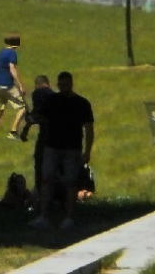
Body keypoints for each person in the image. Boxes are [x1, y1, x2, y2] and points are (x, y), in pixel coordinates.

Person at [30, 71, 94, 230]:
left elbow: (89, 129)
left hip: (72, 148)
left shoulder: (81, 103)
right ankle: (44, 216)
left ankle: (69, 217)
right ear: (58, 85)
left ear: (71, 84)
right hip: (52, 146)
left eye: (66, 85)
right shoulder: (52, 100)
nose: (64, 88)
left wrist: (87, 152)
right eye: (61, 85)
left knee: (70, 182)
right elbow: (41, 118)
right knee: (46, 179)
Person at [20, 75, 56, 195]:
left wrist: (27, 125)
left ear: (36, 85)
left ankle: (39, 190)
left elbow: (39, 114)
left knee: (39, 161)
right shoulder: (54, 95)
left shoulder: (38, 93)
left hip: (46, 134)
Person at [0, 34, 26, 140]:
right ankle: (13, 132)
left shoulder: (2, 52)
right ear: (17, 44)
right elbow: (12, 68)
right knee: (23, 108)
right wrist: (20, 85)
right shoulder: (12, 53)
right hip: (7, 85)